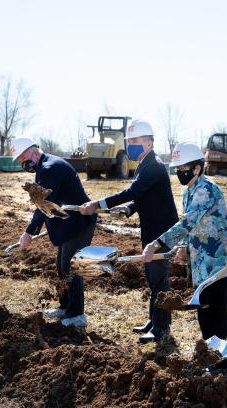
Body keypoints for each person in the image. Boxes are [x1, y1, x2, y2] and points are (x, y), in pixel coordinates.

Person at [80, 120, 178, 344]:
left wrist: (98, 204)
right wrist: (129, 208)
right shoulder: (145, 164)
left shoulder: (154, 165)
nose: (131, 145)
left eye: (136, 141)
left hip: (162, 232)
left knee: (159, 279)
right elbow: (142, 196)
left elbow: (133, 190)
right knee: (153, 278)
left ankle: (161, 327)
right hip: (153, 229)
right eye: (129, 141)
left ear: (149, 142)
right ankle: (154, 321)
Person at [141, 142, 227, 369]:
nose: (179, 172)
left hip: (219, 258)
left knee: (214, 309)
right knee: (203, 309)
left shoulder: (206, 189)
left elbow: (187, 222)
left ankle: (221, 362)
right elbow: (193, 226)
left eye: (183, 167)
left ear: (196, 168)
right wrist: (184, 247)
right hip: (202, 260)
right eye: (176, 168)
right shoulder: (189, 192)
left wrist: (156, 243)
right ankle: (209, 357)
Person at [12, 136, 97, 328]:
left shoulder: (49, 169)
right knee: (61, 265)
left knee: (71, 267)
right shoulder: (44, 166)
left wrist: (29, 233)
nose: (21, 162)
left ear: (34, 151)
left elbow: (42, 206)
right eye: (18, 160)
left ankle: (77, 314)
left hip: (79, 223)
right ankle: (65, 305)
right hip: (68, 222)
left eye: (22, 157)